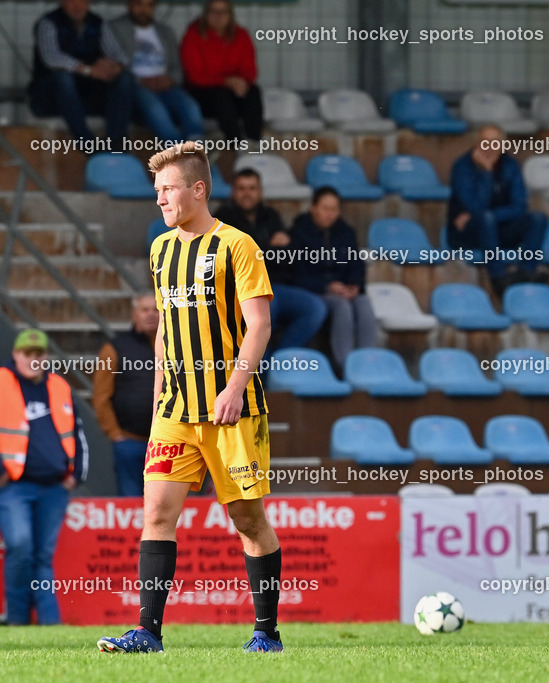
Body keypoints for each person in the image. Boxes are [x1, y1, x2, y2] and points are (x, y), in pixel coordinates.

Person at [98, 141, 282, 653]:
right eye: (155, 191)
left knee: (247, 519)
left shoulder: (238, 246)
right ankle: (148, 632)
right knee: (156, 512)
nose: (159, 199)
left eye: (167, 189)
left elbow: (260, 324)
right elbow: (165, 329)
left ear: (197, 190)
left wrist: (235, 387)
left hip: (230, 408)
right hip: (176, 410)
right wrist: (160, 392)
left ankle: (266, 631)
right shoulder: (160, 249)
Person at [0, 329, 87, 625]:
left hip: (54, 486)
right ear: (16, 355)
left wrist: (76, 474)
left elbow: (77, 432)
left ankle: (50, 623)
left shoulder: (59, 385)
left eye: (39, 354)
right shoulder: (2, 381)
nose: (33, 359)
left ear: (46, 357)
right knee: (20, 546)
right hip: (14, 485)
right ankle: (18, 619)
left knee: (42, 555)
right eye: (27, 354)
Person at [214, 169, 328, 356]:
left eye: (252, 188)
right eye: (241, 188)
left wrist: (261, 250)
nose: (247, 193)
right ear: (233, 191)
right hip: (245, 289)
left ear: (260, 191)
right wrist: (269, 247)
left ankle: (280, 360)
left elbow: (288, 252)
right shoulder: (222, 219)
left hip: (277, 285)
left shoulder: (270, 215)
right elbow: (235, 259)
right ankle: (259, 371)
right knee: (265, 309)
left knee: (315, 307)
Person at [448, 125, 549, 295]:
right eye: (484, 143)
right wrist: (486, 174)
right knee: (485, 219)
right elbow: (474, 206)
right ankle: (498, 278)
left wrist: (491, 216)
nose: (489, 148)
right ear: (476, 145)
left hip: (501, 230)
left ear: (502, 146)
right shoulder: (462, 167)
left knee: (538, 218)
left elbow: (520, 207)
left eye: (495, 143)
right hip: (468, 234)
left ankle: (526, 272)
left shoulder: (510, 166)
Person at [290, 187, 377, 374]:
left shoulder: (346, 232)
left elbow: (356, 264)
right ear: (313, 207)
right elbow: (296, 274)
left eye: (334, 209)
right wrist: (327, 286)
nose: (330, 214)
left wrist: (355, 285)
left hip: (344, 288)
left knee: (364, 304)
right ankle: (346, 367)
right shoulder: (298, 233)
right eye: (325, 208)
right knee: (342, 307)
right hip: (316, 290)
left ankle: (368, 364)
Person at [28, 0, 134, 151]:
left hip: (86, 96)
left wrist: (114, 67)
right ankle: (87, 144)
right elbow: (52, 58)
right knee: (63, 79)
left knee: (125, 78)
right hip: (50, 99)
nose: (77, 5)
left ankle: (116, 144)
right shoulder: (48, 23)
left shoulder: (97, 23)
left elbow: (120, 55)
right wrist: (88, 70)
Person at [110, 0, 204, 144]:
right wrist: (140, 81)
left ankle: (198, 147)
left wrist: (170, 80)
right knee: (156, 109)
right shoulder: (115, 28)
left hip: (165, 86)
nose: (144, 10)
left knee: (191, 106)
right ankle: (177, 151)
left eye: (150, 5)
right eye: (139, 4)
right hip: (136, 87)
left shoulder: (165, 32)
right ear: (129, 4)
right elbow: (113, 65)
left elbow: (177, 68)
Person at [93, 294, 159, 496]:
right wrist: (115, 435)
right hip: (129, 442)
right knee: (130, 506)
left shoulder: (176, 346)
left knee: (164, 503)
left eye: (156, 310)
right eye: (144, 310)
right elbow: (101, 396)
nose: (151, 314)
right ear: (134, 315)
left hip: (165, 443)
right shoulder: (114, 348)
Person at [180, 0, 262, 143]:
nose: (218, 16)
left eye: (223, 12)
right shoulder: (192, 36)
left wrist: (240, 83)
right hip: (203, 93)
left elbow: (250, 70)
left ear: (230, 15)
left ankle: (253, 143)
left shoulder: (241, 35)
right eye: (213, 12)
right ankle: (236, 144)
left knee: (253, 92)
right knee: (221, 95)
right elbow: (194, 76)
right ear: (206, 14)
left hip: (233, 91)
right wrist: (225, 81)